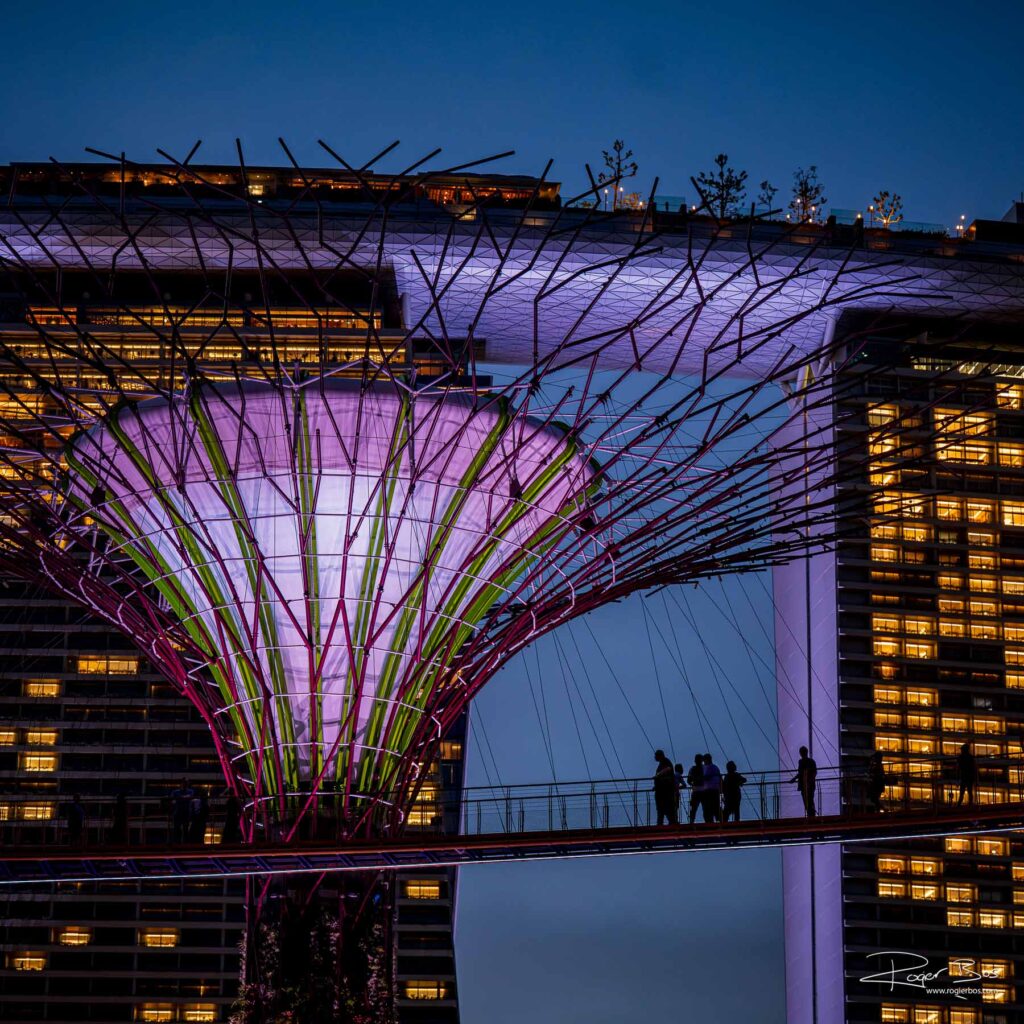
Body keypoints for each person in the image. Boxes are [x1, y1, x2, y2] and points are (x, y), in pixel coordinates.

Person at [653, 750, 678, 826]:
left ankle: (668, 823)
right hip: (662, 790)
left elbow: (668, 769)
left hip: (665, 791)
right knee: (663, 809)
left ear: (659, 756)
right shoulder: (663, 762)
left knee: (665, 808)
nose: (654, 757)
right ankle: (664, 823)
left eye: (656, 756)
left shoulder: (666, 762)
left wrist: (658, 775)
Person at [792, 746, 817, 817]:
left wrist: (794, 779)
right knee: (810, 799)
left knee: (807, 800)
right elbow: (814, 773)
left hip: (805, 785)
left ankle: (810, 814)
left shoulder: (801, 762)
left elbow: (800, 773)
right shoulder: (811, 761)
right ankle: (811, 814)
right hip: (809, 784)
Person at [170, 778, 195, 844]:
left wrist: (179, 799)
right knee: (177, 829)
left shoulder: (190, 791)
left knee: (185, 829)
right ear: (181, 783)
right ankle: (176, 844)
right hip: (178, 812)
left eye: (186, 783)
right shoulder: (175, 792)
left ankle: (185, 844)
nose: (185, 784)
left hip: (186, 813)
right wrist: (181, 799)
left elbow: (189, 797)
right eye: (183, 782)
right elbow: (172, 801)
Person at [701, 754, 722, 822]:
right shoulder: (715, 767)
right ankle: (718, 819)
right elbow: (720, 778)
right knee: (715, 805)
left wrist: (700, 778)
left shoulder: (708, 767)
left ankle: (710, 821)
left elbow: (707, 777)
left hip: (708, 789)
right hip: (715, 789)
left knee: (708, 807)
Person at [686, 754, 704, 824]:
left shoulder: (692, 769)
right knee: (705, 808)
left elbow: (688, 780)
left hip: (696, 790)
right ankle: (708, 822)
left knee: (693, 809)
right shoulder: (704, 768)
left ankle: (691, 822)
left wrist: (693, 783)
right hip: (704, 790)